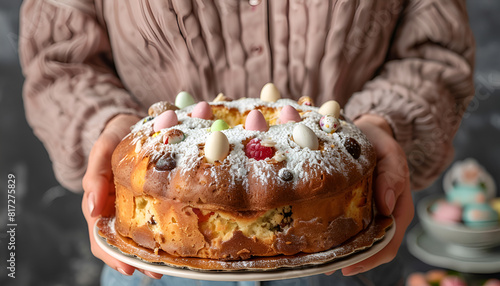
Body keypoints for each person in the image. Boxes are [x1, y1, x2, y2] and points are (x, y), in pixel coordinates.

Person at [19, 0, 475, 285]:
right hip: (151, 277)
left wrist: (382, 125)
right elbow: (58, 59)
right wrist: (109, 125)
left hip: (342, 271)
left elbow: (435, 52)